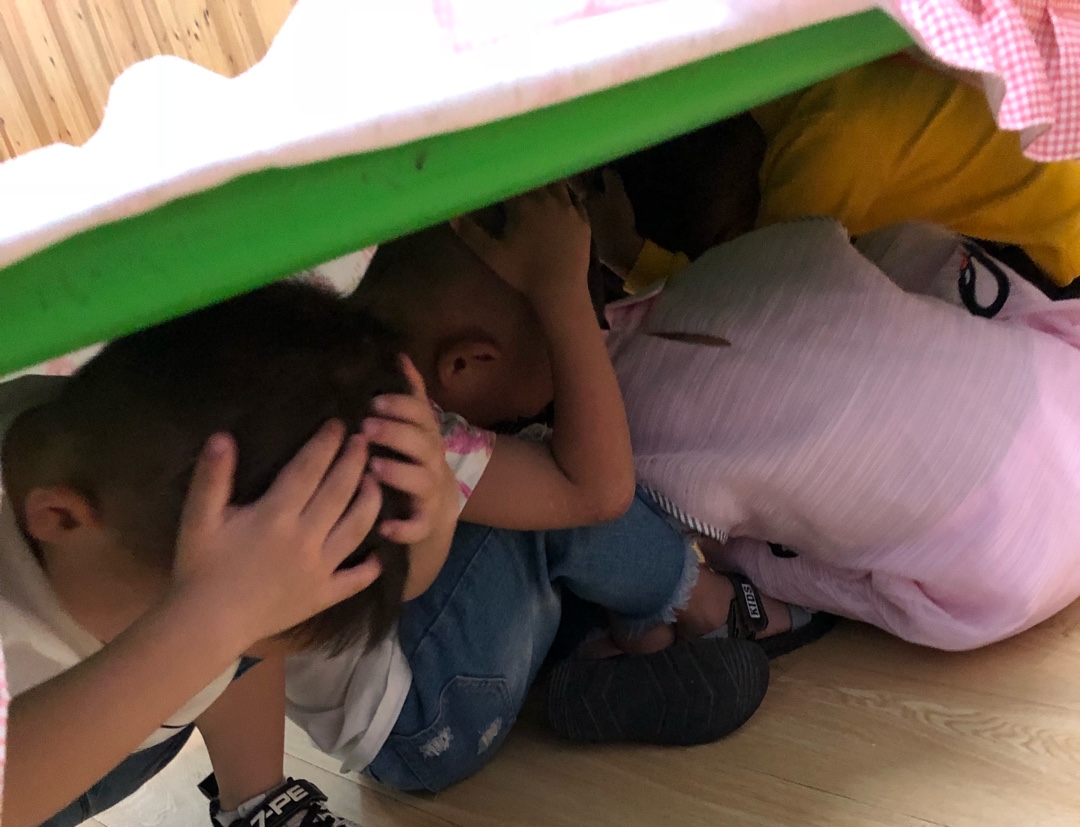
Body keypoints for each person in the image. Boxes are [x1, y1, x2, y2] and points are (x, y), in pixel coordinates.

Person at [0, 283, 452, 827]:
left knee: (252, 614)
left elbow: (307, 606)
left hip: (130, 712)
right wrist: (213, 618)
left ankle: (257, 805)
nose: (230, 638)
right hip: (20, 770)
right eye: (212, 612)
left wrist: (428, 524)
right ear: (58, 519)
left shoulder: (182, 486)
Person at [357, 199, 1080, 655]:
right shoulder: (739, 260)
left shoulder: (644, 438)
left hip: (1000, 572)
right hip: (1059, 390)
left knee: (699, 532)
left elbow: (612, 498)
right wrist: (570, 282)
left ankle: (757, 618)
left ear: (466, 365)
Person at [285, 185, 770, 795]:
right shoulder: (398, 425)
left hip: (408, 709)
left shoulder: (325, 375)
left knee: (531, 488)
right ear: (464, 364)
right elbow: (597, 492)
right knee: (559, 481)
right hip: (426, 715)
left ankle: (604, 658)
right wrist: (560, 294)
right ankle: (715, 608)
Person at [589, 54, 1080, 299]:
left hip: (1061, 229)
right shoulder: (764, 79)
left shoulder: (817, 164)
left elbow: (756, 308)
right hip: (1055, 128)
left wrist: (633, 260)